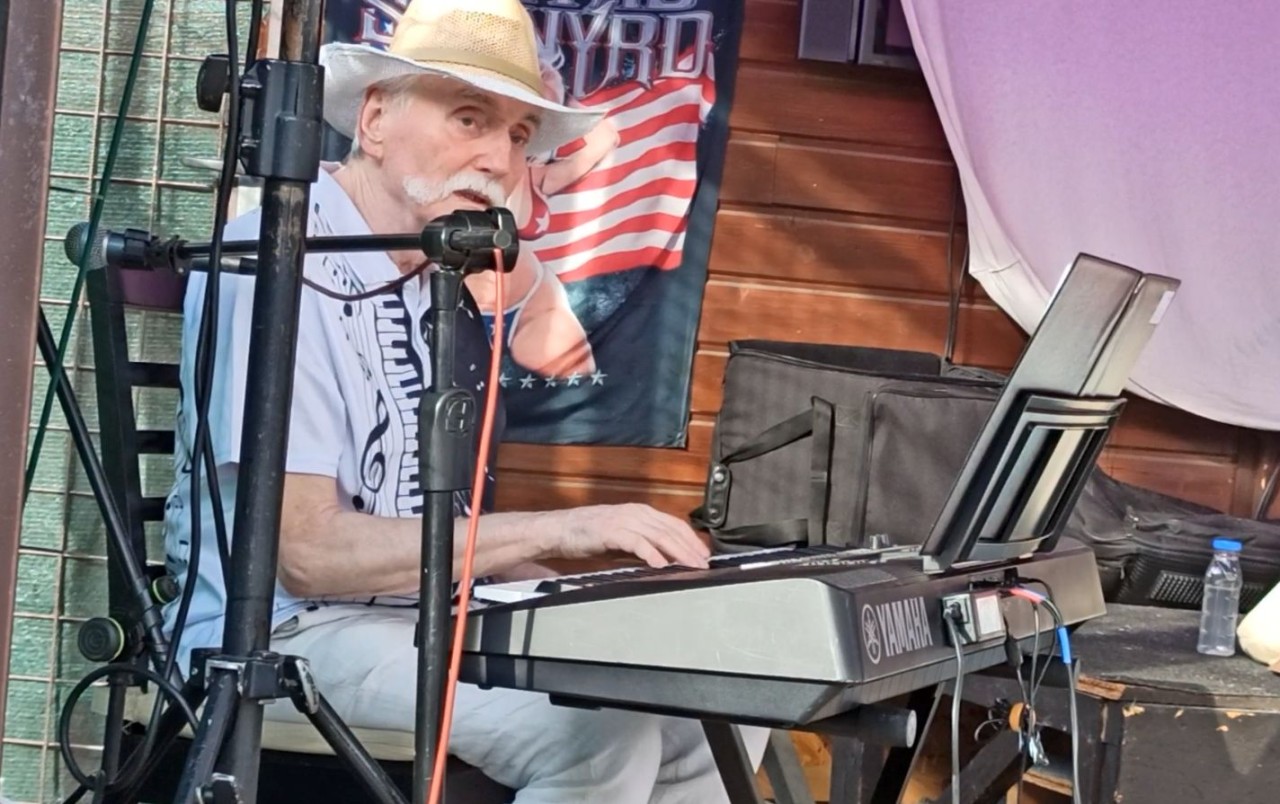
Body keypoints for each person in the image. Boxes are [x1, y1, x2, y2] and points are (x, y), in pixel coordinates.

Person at [160, 0, 768, 801]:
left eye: (518, 135)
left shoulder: (427, 273)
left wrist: (583, 598)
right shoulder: (278, 257)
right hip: (280, 638)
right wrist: (567, 528)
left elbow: (424, 531)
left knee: (720, 710)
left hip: (411, 616)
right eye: (470, 118)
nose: (500, 160)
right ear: (375, 120)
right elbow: (307, 557)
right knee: (595, 741)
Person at [464, 50, 619, 378]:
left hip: (526, 304)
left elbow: (606, 136)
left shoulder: (535, 178)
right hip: (443, 302)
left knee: (580, 377)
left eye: (520, 133)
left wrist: (557, 99)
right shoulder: (448, 164)